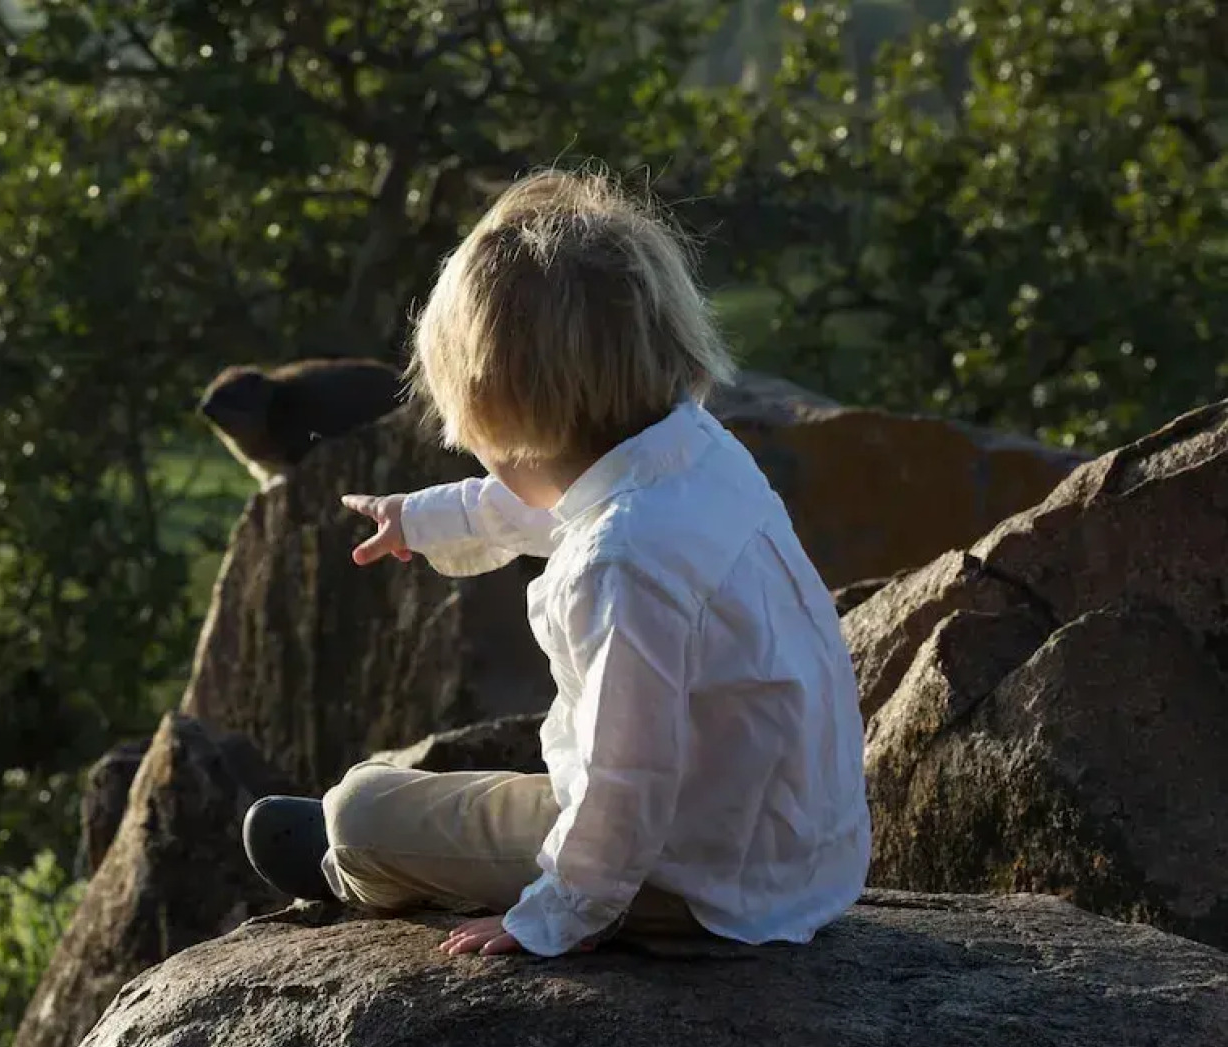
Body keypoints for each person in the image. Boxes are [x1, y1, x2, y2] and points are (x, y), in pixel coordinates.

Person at [242, 166, 870, 959]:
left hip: (696, 876)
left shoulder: (620, 564)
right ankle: (392, 833)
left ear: (504, 415)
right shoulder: (694, 457)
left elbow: (627, 779)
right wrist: (420, 518)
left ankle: (350, 864)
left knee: (361, 808)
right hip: (786, 844)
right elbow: (552, 498)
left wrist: (553, 916)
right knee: (451, 795)